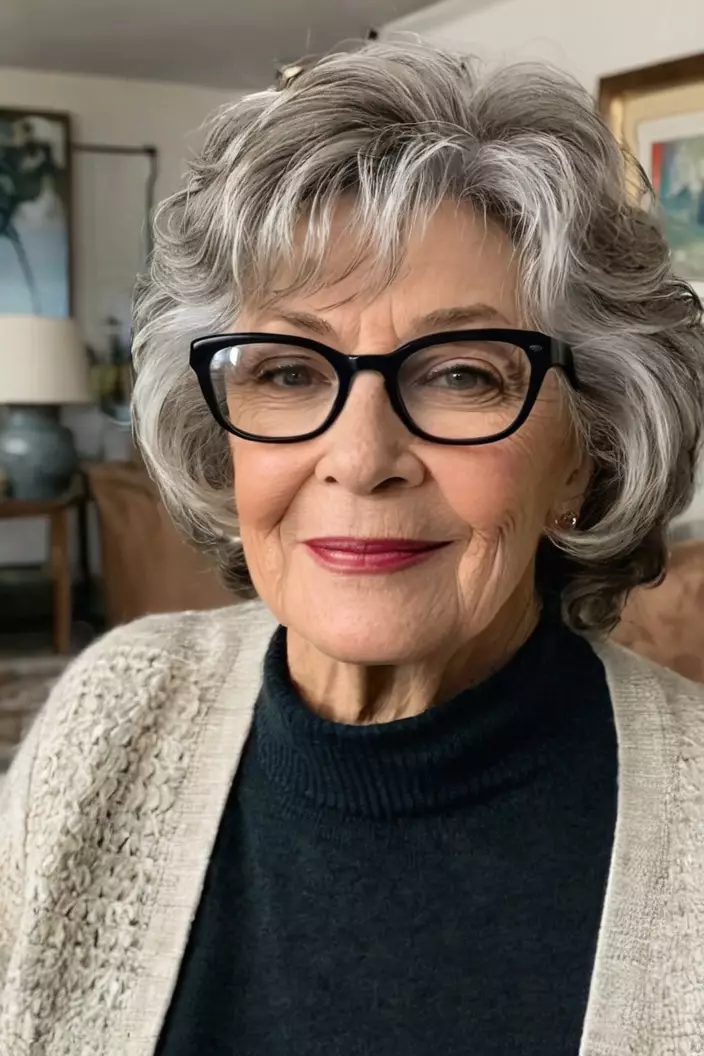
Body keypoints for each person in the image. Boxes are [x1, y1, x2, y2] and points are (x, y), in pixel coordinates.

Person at [2, 39, 704, 1056]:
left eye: (461, 374)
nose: (361, 456)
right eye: (286, 371)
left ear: (582, 451)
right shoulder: (109, 716)